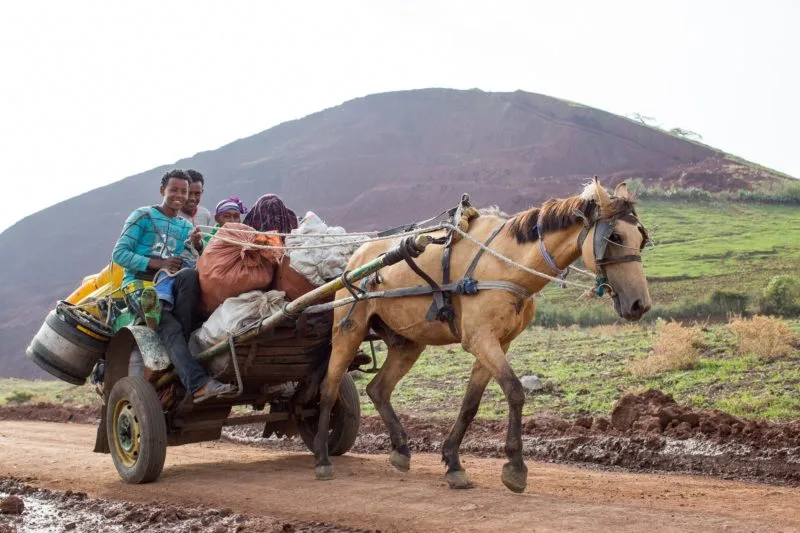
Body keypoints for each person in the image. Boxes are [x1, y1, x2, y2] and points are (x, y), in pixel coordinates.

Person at [112, 169, 233, 403]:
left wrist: (198, 247)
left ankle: (164, 322)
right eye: (174, 190)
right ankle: (197, 384)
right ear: (162, 191)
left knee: (188, 276)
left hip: (171, 286)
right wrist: (159, 263)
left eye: (184, 191)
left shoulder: (186, 227)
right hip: (139, 284)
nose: (179, 195)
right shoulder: (143, 216)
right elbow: (120, 254)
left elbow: (197, 262)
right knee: (170, 327)